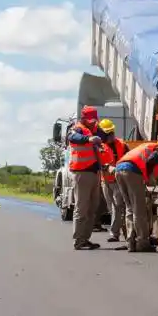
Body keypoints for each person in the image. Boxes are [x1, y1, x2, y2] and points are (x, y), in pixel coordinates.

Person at [115, 140, 158, 253]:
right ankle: (142, 242)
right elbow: (151, 160)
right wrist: (149, 175)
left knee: (130, 208)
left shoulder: (148, 146)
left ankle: (130, 242)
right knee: (139, 209)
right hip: (132, 171)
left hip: (119, 169)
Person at [67, 105, 103, 250]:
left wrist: (97, 130)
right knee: (81, 208)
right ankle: (78, 240)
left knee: (92, 208)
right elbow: (72, 137)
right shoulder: (78, 129)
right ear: (83, 119)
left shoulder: (93, 129)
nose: (94, 122)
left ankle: (85, 238)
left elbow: (104, 136)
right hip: (82, 173)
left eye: (95, 120)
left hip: (94, 173)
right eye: (91, 120)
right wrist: (89, 139)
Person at [97, 119, 130, 246]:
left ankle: (115, 233)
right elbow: (95, 163)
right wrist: (106, 167)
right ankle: (119, 231)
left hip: (118, 181)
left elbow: (128, 160)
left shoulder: (122, 144)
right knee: (112, 208)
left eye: (111, 132)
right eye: (108, 133)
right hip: (105, 181)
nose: (110, 135)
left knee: (117, 207)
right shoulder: (99, 146)